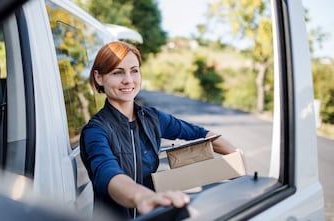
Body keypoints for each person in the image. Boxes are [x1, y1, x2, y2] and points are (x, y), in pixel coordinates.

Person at [79, 41, 241, 219]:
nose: (128, 80)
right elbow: (108, 173)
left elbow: (202, 134)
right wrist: (144, 197)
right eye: (117, 72)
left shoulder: (153, 118)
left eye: (134, 70)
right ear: (99, 77)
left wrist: (236, 160)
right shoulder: (95, 130)